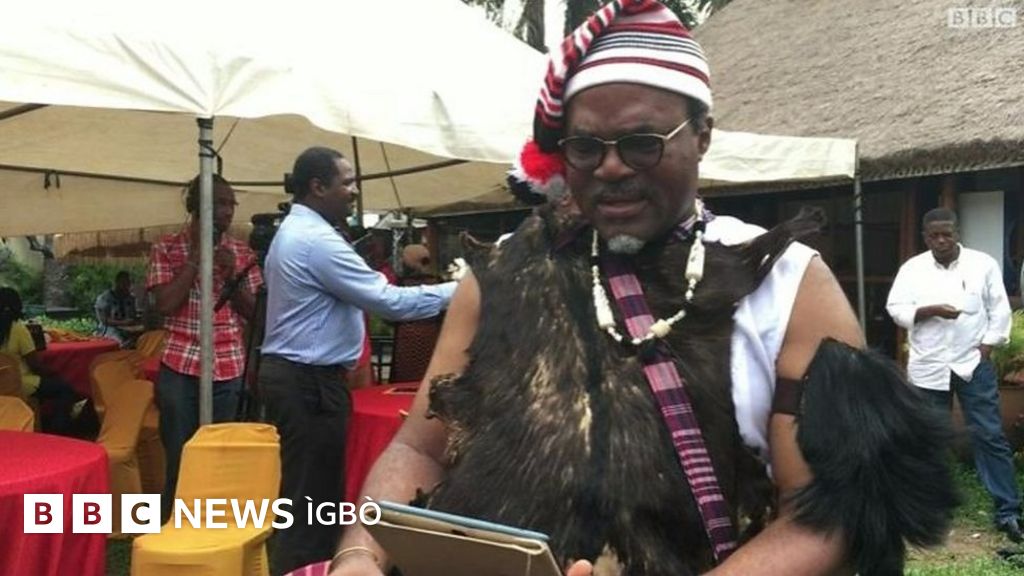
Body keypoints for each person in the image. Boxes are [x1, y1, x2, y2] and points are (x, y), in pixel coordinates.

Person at [329, 2, 956, 576]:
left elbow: (826, 514)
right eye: (585, 147)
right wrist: (358, 555)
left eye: (641, 143)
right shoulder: (499, 275)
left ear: (701, 134)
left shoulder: (788, 285)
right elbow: (419, 448)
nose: (611, 166)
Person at [259, 146, 457, 576]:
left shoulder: (299, 231)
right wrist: (465, 290)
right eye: (346, 183)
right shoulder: (315, 241)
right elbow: (389, 302)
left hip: (301, 376)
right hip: (308, 380)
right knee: (310, 504)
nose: (354, 191)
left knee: (309, 497)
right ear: (318, 186)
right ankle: (300, 569)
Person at [887, 207, 1022, 542]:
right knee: (929, 438)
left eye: (947, 234)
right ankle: (931, 508)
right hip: (929, 366)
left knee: (989, 435)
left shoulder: (982, 265)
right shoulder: (912, 269)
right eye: (934, 235)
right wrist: (930, 310)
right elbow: (896, 309)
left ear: (957, 233)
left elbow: (999, 310)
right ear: (925, 237)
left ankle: (1008, 511)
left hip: (971, 364)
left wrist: (986, 349)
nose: (941, 240)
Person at [145, 174, 262, 519]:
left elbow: (256, 313)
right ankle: (173, 523)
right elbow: (165, 304)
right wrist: (196, 260)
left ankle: (214, 523)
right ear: (196, 206)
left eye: (230, 204)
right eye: (219, 203)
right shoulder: (166, 248)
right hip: (179, 365)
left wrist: (230, 276)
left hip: (228, 366)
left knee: (220, 453)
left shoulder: (242, 252)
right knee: (180, 452)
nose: (227, 211)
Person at [0, 286, 82, 435]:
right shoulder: (17, 329)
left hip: (3, 384)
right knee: (64, 388)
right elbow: (35, 365)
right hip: (19, 383)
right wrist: (55, 372)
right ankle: (58, 431)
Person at [94, 270, 139, 345]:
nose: (126, 286)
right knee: (118, 342)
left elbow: (133, 316)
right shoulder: (104, 298)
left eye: (128, 283)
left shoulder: (131, 298)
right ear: (117, 282)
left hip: (128, 330)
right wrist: (122, 323)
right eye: (123, 283)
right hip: (108, 329)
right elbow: (103, 319)